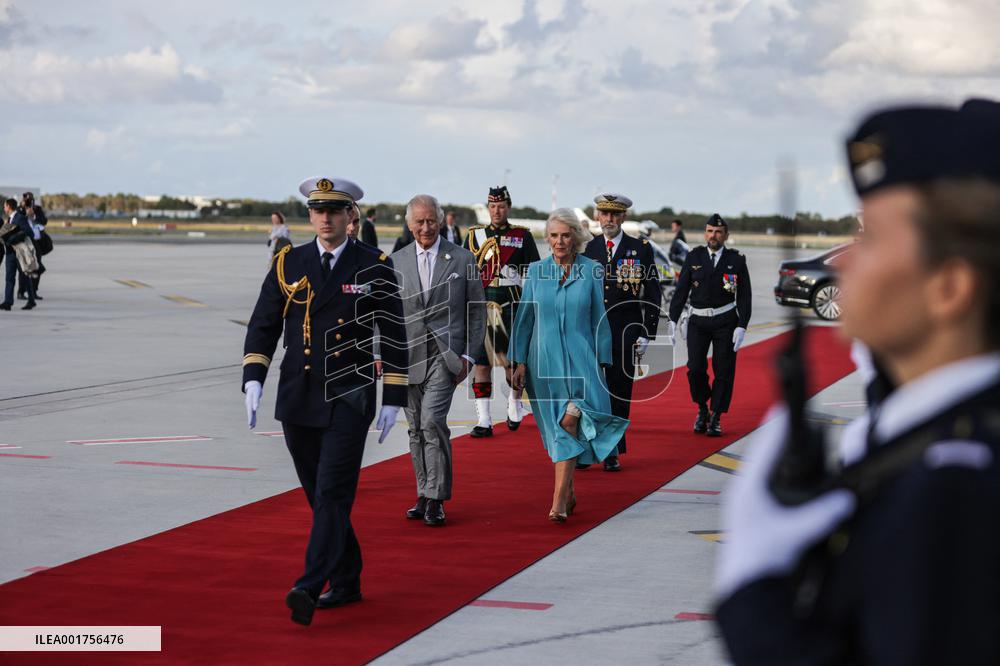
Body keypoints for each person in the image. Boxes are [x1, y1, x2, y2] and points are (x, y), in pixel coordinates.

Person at [714, 99, 1000, 665]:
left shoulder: (953, 487)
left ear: (949, 288)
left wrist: (753, 590)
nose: (843, 265)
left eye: (872, 241)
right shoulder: (938, 441)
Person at [241, 176, 409, 626]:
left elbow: (393, 333)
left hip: (349, 395)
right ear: (310, 214)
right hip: (298, 393)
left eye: (335, 210)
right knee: (321, 497)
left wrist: (394, 394)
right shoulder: (287, 262)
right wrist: (253, 376)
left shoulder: (373, 263)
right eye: (318, 210)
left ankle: (309, 585)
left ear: (350, 215)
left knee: (334, 492)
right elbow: (263, 324)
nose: (326, 218)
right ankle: (349, 577)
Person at [509, 208, 627, 521]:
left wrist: (604, 360)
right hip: (543, 365)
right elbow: (524, 319)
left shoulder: (591, 270)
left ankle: (558, 501)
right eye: (554, 236)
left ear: (576, 237)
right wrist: (517, 361)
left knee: (569, 422)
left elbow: (598, 317)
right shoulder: (535, 271)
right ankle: (570, 489)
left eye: (565, 235)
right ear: (547, 239)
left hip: (581, 363)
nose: (560, 241)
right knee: (555, 430)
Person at [392, 195, 486, 527]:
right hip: (407, 356)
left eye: (431, 220)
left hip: (446, 357)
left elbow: (477, 310)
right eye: (419, 221)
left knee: (432, 422)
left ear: (441, 220)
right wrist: (380, 352)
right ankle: (423, 491)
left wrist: (469, 355)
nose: (425, 227)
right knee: (416, 429)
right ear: (409, 224)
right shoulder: (396, 261)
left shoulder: (461, 259)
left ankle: (436, 498)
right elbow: (383, 314)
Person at [582, 193, 660, 471]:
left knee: (618, 392)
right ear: (597, 216)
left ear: (623, 217)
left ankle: (613, 449)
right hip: (591, 331)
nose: (609, 219)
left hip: (624, 330)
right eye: (604, 214)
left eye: (615, 214)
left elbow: (652, 292)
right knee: (588, 392)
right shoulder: (588, 248)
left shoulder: (640, 249)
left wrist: (647, 332)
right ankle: (586, 446)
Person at [465, 185, 540, 437]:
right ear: (489, 208)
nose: (496, 211)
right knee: (482, 365)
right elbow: (467, 273)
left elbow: (533, 274)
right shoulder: (474, 235)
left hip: (512, 306)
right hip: (483, 306)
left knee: (512, 365)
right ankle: (484, 420)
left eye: (501, 206)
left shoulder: (522, 236)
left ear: (508, 207)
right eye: (493, 206)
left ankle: (513, 404)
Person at [668, 214, 751, 437]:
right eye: (709, 231)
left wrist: (742, 325)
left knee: (723, 371)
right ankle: (702, 408)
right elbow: (681, 290)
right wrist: (672, 319)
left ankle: (716, 416)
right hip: (698, 321)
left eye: (718, 232)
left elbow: (744, 296)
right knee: (695, 368)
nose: (713, 236)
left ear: (726, 235)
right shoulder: (694, 256)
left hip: (725, 321)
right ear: (705, 233)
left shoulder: (736, 260)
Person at [1, 198, 37, 311]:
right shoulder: (9, 219)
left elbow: (30, 233)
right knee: (9, 278)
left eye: (5, 206)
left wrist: (14, 237)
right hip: (10, 254)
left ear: (9, 206)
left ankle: (31, 300)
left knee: (25, 277)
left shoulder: (20, 218)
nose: (4, 207)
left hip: (20, 253)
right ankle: (8, 303)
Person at [18, 192, 46, 300]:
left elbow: (44, 221)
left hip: (36, 242)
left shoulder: (37, 209)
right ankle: (21, 292)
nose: (28, 202)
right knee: (24, 268)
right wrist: (24, 212)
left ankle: (34, 292)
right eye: (26, 200)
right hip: (24, 242)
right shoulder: (19, 210)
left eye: (30, 200)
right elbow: (15, 221)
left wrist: (33, 216)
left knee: (37, 267)